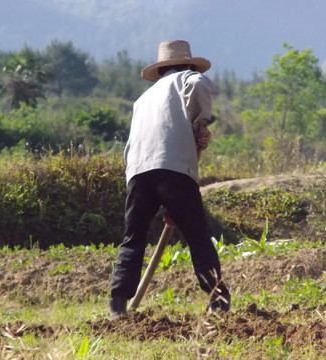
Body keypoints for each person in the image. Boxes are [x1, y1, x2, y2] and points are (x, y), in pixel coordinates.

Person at [109, 40, 230, 319]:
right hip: (173, 169)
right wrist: (201, 123)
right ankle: (218, 300)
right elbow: (201, 85)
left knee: (133, 239)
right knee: (197, 235)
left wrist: (168, 206)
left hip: (138, 172)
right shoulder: (186, 78)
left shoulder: (143, 100)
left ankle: (118, 304)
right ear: (187, 64)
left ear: (162, 69)